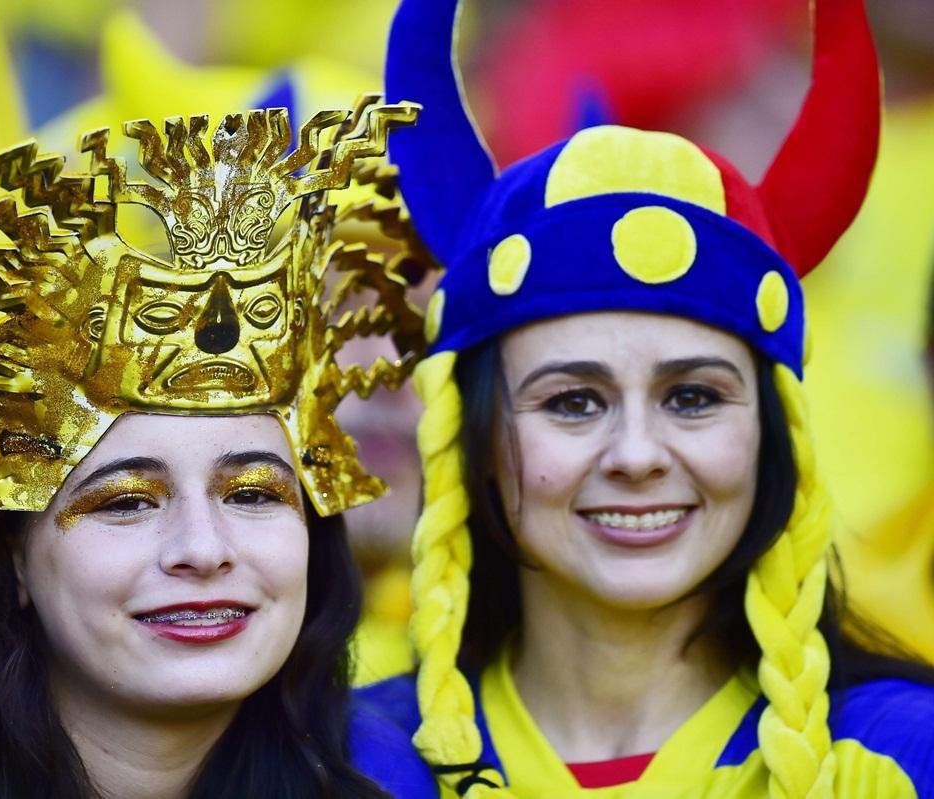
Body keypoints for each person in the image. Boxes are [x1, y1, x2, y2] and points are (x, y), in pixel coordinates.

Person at [0, 96, 431, 798]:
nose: (203, 548)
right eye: (127, 501)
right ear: (11, 551)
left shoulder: (382, 773)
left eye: (253, 493)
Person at [350, 0, 934, 796]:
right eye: (573, 402)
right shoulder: (347, 761)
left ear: (773, 432)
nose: (636, 455)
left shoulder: (904, 755)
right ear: (476, 432)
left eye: (692, 397)